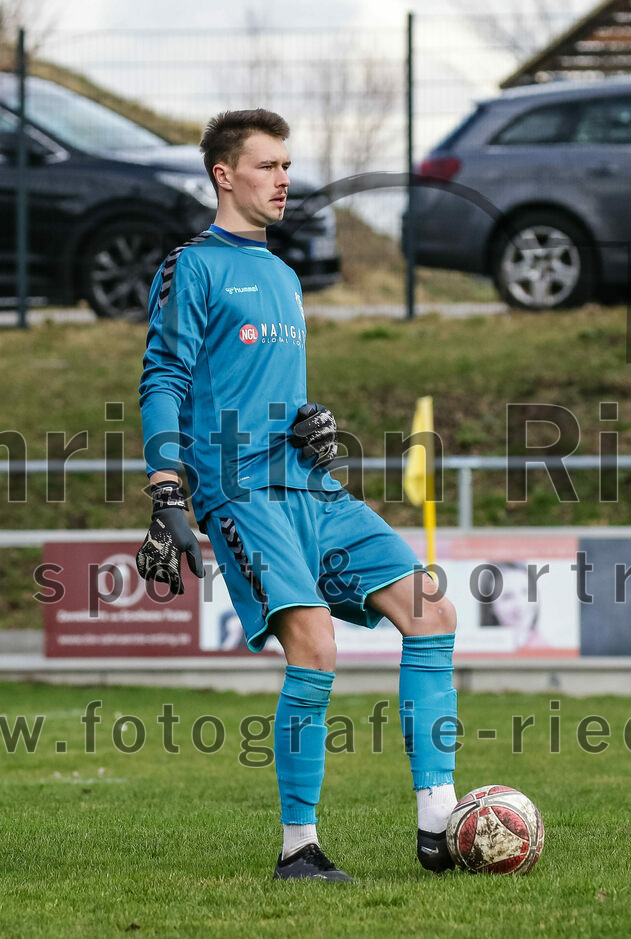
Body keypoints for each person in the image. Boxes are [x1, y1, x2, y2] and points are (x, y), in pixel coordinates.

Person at [135, 109, 458, 882]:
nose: (284, 178)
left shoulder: (282, 274)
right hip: (240, 490)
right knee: (314, 642)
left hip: (311, 484)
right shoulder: (193, 266)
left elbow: (273, 390)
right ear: (224, 174)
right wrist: (167, 487)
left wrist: (312, 421)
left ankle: (440, 823)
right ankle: (299, 848)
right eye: (268, 165)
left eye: (287, 164)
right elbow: (165, 378)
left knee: (431, 608)